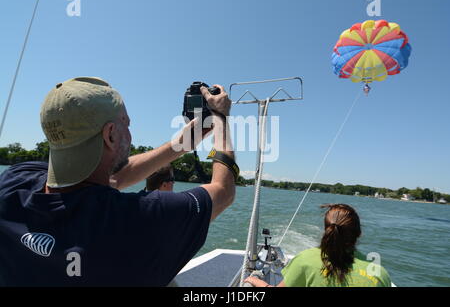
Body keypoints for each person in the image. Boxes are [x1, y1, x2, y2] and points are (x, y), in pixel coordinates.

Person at [0, 77, 237, 286]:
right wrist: (220, 120)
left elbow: (110, 178)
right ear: (110, 134)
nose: (130, 132)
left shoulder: (14, 180)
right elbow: (222, 191)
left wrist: (180, 145)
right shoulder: (137, 220)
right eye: (127, 123)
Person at [244, 204, 391, 287]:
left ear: (326, 230)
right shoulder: (379, 273)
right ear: (358, 234)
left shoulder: (305, 261)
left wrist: (256, 282)